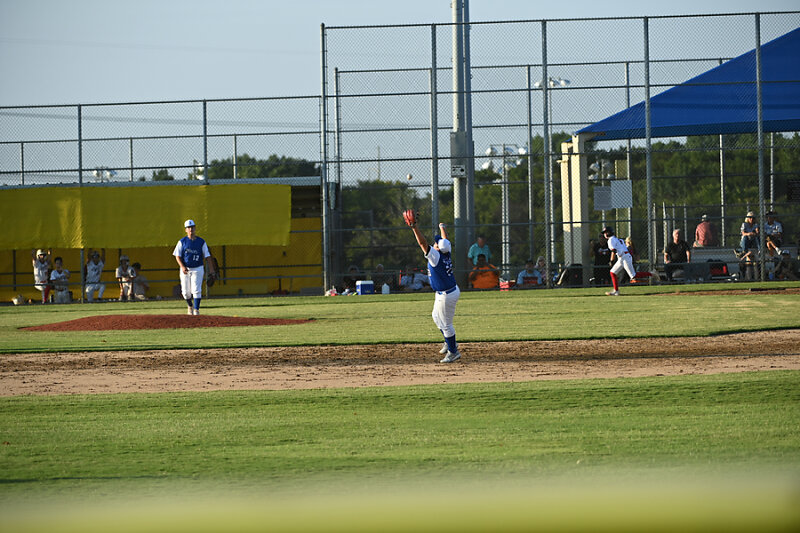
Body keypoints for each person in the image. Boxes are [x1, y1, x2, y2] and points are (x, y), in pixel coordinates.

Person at [407, 220, 461, 363]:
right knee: (436, 317)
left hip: (446, 294)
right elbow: (445, 240)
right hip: (448, 291)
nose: (435, 243)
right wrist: (442, 227)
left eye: (436, 243)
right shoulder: (446, 252)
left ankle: (453, 351)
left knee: (446, 325)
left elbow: (422, 243)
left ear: (437, 248)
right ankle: (449, 342)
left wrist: (414, 227)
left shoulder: (435, 256)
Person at [173, 219, 217, 315]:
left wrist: (212, 270)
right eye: (188, 227)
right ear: (186, 230)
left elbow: (207, 256)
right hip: (186, 269)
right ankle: (190, 306)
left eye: (192, 227)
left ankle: (196, 310)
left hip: (198, 268)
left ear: (195, 228)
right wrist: (182, 266)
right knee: (185, 292)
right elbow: (177, 256)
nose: (191, 229)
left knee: (196, 290)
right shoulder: (182, 242)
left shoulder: (201, 242)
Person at [601, 226, 636, 296]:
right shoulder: (616, 239)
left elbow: (613, 251)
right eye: (604, 233)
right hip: (623, 257)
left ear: (610, 232)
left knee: (634, 276)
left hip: (624, 257)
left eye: (606, 232)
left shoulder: (611, 240)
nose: (605, 234)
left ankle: (652, 273)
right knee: (613, 272)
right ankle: (616, 291)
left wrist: (611, 260)